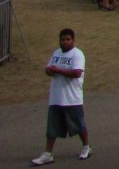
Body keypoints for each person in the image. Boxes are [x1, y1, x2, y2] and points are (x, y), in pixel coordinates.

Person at [31, 27, 92, 164]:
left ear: (73, 40)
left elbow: (76, 73)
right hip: (56, 97)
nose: (64, 42)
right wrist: (50, 71)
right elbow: (48, 70)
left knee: (78, 125)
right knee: (52, 128)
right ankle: (48, 153)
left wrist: (58, 70)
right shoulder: (56, 53)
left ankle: (86, 147)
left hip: (72, 98)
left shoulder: (77, 54)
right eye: (62, 39)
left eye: (67, 39)